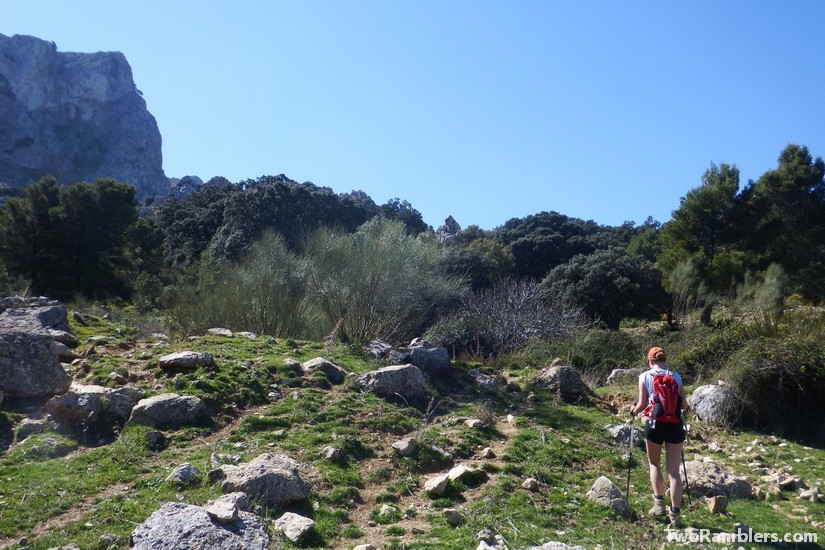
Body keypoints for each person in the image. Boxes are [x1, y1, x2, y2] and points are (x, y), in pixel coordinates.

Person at [628, 346, 688, 528]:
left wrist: (633, 410)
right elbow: (684, 405)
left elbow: (642, 403)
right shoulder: (676, 377)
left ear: (650, 361)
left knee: (654, 464)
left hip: (654, 425)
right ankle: (675, 515)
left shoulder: (645, 376)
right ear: (664, 360)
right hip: (675, 425)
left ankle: (659, 505)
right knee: (674, 472)